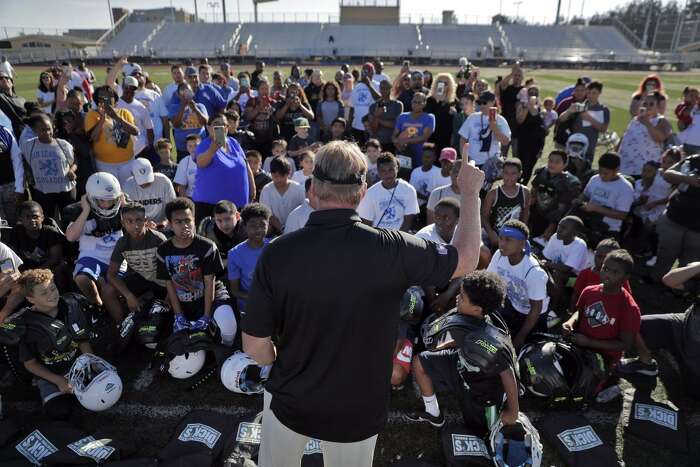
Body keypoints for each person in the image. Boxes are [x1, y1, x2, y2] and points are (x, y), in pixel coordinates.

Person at [241, 140, 483, 466]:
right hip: (357, 407)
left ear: (313, 190)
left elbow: (255, 346)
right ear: (363, 191)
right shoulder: (393, 249)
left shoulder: (277, 252)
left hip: (291, 397)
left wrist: (278, 356)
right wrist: (469, 194)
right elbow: (467, 259)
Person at [406, 271, 519, 434]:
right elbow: (463, 339)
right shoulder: (471, 318)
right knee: (420, 361)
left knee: (479, 431)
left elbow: (507, 373)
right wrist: (442, 346)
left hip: (481, 388)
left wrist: (513, 412)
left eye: (463, 297)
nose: (458, 298)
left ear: (476, 309)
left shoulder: (485, 339)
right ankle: (433, 414)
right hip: (461, 364)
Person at [156, 197, 236, 346]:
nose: (184, 225)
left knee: (228, 326)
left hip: (211, 295)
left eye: (188, 220)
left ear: (194, 220)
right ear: (170, 225)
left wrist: (206, 316)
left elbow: (209, 282)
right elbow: (169, 284)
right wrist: (178, 315)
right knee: (177, 343)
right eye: (178, 222)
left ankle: (227, 354)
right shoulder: (163, 250)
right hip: (182, 300)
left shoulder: (207, 246)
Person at [563, 249, 640, 402]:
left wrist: (590, 342)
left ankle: (611, 378)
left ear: (626, 277)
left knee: (583, 393)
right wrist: (570, 322)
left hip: (605, 356)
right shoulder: (589, 291)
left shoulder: (629, 308)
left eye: (615, 272)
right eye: (605, 269)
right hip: (580, 345)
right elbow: (579, 312)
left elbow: (625, 344)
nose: (607, 274)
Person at [17, 269, 93, 419]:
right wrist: (58, 380)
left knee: (102, 392)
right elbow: (30, 364)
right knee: (59, 411)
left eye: (53, 288)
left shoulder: (70, 305)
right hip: (51, 374)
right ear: (31, 299)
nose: (52, 295)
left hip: (77, 365)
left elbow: (82, 339)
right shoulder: (26, 325)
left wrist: (91, 362)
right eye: (44, 293)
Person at [618, 262, 700, 398]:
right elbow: (669, 280)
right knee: (638, 325)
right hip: (682, 326)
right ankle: (646, 364)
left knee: (694, 393)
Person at [65, 172, 125, 326]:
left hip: (117, 259)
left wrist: (126, 209)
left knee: (110, 289)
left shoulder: (124, 209)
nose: (106, 204)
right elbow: (70, 237)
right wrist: (85, 211)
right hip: (92, 258)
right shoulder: (80, 212)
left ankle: (121, 323)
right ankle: (97, 305)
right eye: (101, 201)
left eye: (111, 200)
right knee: (82, 278)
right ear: (91, 198)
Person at [487, 220, 549, 348]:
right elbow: (489, 280)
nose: (502, 244)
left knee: (524, 350)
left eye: (508, 240)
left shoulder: (534, 271)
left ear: (522, 244)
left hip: (533, 316)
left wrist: (521, 336)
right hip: (513, 305)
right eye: (501, 238)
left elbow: (536, 308)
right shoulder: (499, 255)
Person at [106, 202, 167, 321]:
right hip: (142, 278)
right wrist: (128, 296)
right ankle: (122, 326)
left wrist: (169, 299)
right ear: (123, 223)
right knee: (108, 291)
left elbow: (172, 273)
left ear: (145, 221)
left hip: (163, 282)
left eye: (139, 220)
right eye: (129, 221)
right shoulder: (122, 243)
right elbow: (111, 274)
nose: (135, 225)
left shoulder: (158, 240)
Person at [191, 113, 254, 224]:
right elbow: (201, 163)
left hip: (237, 206)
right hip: (210, 207)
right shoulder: (205, 145)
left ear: (227, 128)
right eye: (216, 124)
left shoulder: (234, 143)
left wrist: (252, 187)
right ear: (208, 127)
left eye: (224, 125)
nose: (220, 127)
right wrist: (213, 149)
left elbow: (245, 164)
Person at [652, 152, 700, 282]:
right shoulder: (694, 159)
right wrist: (686, 178)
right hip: (675, 217)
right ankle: (657, 280)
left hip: (697, 228)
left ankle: (680, 289)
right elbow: (668, 174)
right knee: (666, 252)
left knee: (690, 261)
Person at [21, 114, 77, 220]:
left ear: (53, 127)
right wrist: (29, 176)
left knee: (69, 222)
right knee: (47, 222)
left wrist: (71, 170)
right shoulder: (28, 146)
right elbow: (25, 163)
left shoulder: (63, 144)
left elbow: (75, 161)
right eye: (42, 130)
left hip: (66, 191)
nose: (47, 132)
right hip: (43, 192)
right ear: (34, 130)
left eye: (48, 129)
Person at [84, 86, 139, 186]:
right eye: (102, 97)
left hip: (127, 162)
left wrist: (117, 118)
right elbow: (93, 138)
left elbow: (135, 131)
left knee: (128, 190)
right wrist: (102, 119)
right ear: (97, 101)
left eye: (109, 96)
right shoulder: (92, 115)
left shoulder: (124, 112)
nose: (106, 99)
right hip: (105, 164)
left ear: (115, 98)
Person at [6, 201, 68, 287]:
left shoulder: (50, 232)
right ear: (21, 219)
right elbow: (10, 256)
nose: (32, 220)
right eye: (27, 217)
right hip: (25, 270)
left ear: (42, 217)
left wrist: (34, 273)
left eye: (35, 217)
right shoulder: (16, 232)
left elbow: (55, 258)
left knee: (60, 268)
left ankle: (59, 292)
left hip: (48, 269)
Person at [576, 152, 634, 239]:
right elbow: (585, 195)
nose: (602, 176)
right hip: (587, 223)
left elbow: (622, 215)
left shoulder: (625, 188)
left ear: (617, 170)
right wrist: (579, 200)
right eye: (600, 172)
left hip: (608, 230)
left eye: (606, 173)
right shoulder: (595, 179)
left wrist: (596, 208)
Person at [227, 203, 271, 317]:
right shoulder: (234, 254)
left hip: (273, 304)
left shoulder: (274, 247)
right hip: (248, 308)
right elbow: (235, 291)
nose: (258, 229)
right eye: (253, 225)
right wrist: (257, 298)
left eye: (262, 225)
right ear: (244, 226)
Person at [358, 152, 419, 231]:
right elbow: (367, 224)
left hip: (401, 237)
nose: (387, 174)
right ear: (378, 172)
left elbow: (408, 222)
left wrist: (397, 240)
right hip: (378, 238)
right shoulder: (370, 194)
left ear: (397, 168)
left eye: (391, 170)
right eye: (383, 171)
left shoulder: (409, 190)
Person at [529, 150, 582, 240]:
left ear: (565, 164)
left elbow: (563, 209)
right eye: (550, 160)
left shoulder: (569, 183)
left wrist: (552, 226)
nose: (552, 164)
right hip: (536, 214)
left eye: (557, 162)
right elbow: (533, 192)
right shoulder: (542, 173)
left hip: (555, 221)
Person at [618, 92, 671, 178]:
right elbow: (625, 137)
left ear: (657, 107)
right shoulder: (635, 119)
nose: (647, 106)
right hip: (625, 165)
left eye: (651, 104)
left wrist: (647, 122)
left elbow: (660, 138)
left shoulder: (661, 120)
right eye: (645, 103)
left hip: (644, 167)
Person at [571, 238, 630, 314]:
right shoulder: (585, 273)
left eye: (606, 258)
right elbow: (575, 296)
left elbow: (626, 301)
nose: (602, 261)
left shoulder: (620, 279)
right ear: (594, 254)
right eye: (599, 256)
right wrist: (572, 312)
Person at [541, 216, 588, 312]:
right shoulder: (555, 237)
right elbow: (546, 257)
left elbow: (567, 269)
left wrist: (547, 264)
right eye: (559, 226)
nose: (559, 229)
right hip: (555, 270)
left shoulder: (580, 245)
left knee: (558, 274)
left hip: (575, 280)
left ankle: (553, 308)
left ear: (575, 233)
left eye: (564, 228)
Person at [482, 159, 530, 249]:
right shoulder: (493, 193)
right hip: (496, 235)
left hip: (515, 235)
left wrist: (522, 233)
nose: (509, 176)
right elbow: (484, 216)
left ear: (520, 174)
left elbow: (526, 214)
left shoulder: (525, 192)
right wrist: (491, 233)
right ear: (502, 173)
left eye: (513, 173)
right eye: (506, 173)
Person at [458, 91, 511, 170]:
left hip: (491, 163)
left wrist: (494, 128)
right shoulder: (472, 117)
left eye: (485, 102)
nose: (482, 105)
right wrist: (465, 158)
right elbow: (462, 139)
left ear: (493, 102)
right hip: (472, 162)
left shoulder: (500, 120)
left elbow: (505, 142)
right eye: (480, 102)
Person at [122, 158, 176, 229]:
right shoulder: (128, 186)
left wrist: (166, 222)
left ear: (152, 169)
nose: (145, 183)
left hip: (163, 226)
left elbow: (172, 207)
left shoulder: (164, 181)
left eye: (147, 178)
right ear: (132, 174)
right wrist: (144, 223)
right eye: (141, 180)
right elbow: (127, 213)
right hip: (138, 227)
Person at [259, 156, 305, 235]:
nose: (278, 179)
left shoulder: (299, 189)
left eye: (282, 176)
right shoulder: (266, 190)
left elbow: (303, 211)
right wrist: (281, 228)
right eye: (275, 176)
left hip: (297, 231)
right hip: (274, 232)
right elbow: (267, 214)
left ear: (289, 173)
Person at [116, 76, 154, 161]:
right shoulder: (115, 105)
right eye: (127, 87)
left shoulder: (141, 107)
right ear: (122, 87)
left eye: (132, 88)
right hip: (121, 149)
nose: (129, 90)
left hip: (140, 149)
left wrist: (149, 145)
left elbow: (149, 128)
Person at [392, 92, 435, 168]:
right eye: (414, 102)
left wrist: (405, 141)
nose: (416, 104)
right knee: (404, 175)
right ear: (411, 102)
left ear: (424, 104)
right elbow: (394, 135)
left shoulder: (429, 117)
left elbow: (424, 137)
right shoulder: (402, 116)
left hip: (421, 156)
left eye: (419, 102)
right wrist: (397, 143)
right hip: (404, 155)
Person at [168, 81, 208, 161]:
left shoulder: (200, 106)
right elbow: (176, 124)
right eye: (183, 92)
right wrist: (182, 107)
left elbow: (205, 122)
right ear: (178, 95)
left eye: (188, 91)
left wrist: (195, 109)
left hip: (200, 146)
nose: (185, 94)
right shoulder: (174, 108)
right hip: (183, 149)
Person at [514, 85, 546, 183]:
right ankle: (517, 183)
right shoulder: (522, 105)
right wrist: (527, 107)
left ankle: (525, 184)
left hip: (536, 142)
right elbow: (519, 121)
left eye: (535, 92)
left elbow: (543, 126)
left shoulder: (540, 109)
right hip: (524, 140)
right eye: (530, 92)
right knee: (522, 164)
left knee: (530, 166)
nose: (533, 94)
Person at [572, 81, 610, 162]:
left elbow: (603, 129)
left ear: (599, 93)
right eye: (589, 93)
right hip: (573, 145)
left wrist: (590, 119)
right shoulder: (578, 106)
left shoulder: (603, 109)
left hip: (589, 147)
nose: (591, 95)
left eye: (594, 93)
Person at [424, 73, 458, 154]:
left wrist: (455, 114)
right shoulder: (429, 100)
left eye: (445, 83)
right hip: (431, 138)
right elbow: (426, 115)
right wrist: (437, 101)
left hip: (446, 138)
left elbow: (458, 119)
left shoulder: (454, 101)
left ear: (449, 86)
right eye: (440, 82)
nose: (442, 85)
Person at [349, 63, 381, 145]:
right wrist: (349, 124)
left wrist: (369, 85)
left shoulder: (377, 85)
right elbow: (352, 108)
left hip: (372, 127)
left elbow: (380, 100)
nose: (366, 74)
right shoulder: (356, 87)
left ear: (373, 73)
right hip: (357, 126)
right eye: (364, 72)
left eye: (368, 72)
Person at [497, 62, 524, 157]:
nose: (517, 77)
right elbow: (503, 83)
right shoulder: (508, 88)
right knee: (502, 155)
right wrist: (513, 72)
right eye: (515, 75)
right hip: (505, 126)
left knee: (517, 155)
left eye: (519, 75)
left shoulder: (524, 90)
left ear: (522, 78)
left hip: (518, 129)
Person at [0, 123, 24, 226]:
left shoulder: (4, 131)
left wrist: (19, 189)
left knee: (15, 223)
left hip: (10, 187)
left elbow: (17, 160)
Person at [427, 159, 462, 225]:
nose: (457, 174)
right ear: (450, 173)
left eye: (461, 172)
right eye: (455, 171)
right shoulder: (436, 193)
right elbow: (430, 223)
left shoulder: (473, 198)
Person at [0, 70, 26, 138]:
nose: (4, 79)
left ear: (12, 82)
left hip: (26, 134)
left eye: (6, 77)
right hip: (11, 137)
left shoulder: (22, 99)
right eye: (0, 78)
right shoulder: (1, 98)